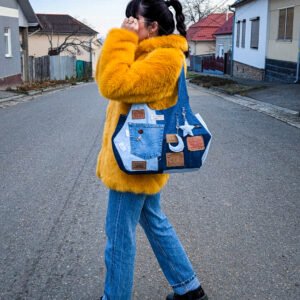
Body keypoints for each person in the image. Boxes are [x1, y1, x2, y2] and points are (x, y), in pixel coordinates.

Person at [95, 0, 208, 299]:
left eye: (135, 19)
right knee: (155, 222)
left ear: (153, 26)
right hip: (139, 157)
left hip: (134, 165)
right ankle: (188, 289)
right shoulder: (148, 55)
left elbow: (112, 83)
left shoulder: (165, 60)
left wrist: (121, 38)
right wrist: (130, 42)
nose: (129, 23)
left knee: (119, 236)